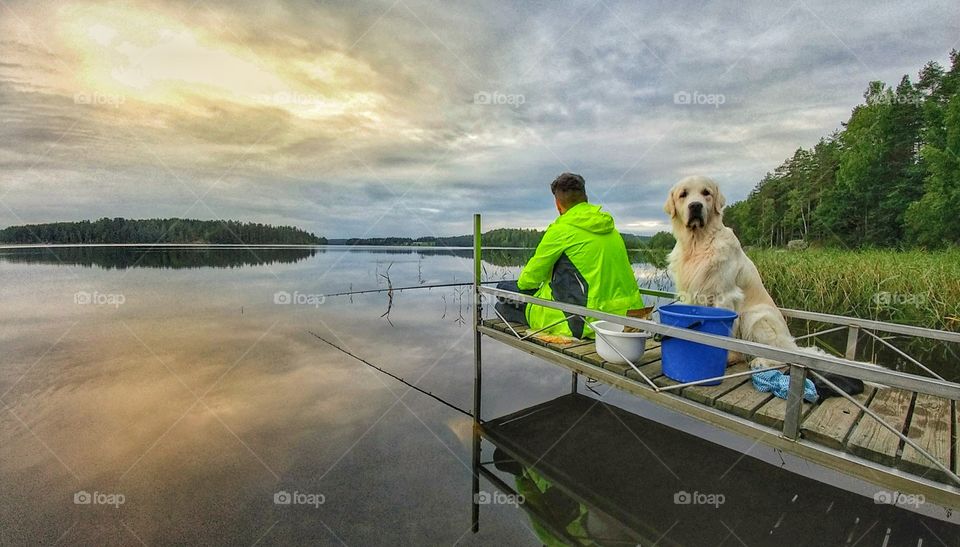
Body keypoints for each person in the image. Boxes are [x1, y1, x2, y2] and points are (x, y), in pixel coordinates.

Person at [495, 173, 644, 338]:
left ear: (558, 204)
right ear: (585, 198)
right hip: (627, 319)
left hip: (585, 322)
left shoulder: (561, 230)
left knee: (502, 296)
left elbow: (528, 280)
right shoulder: (611, 229)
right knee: (506, 290)